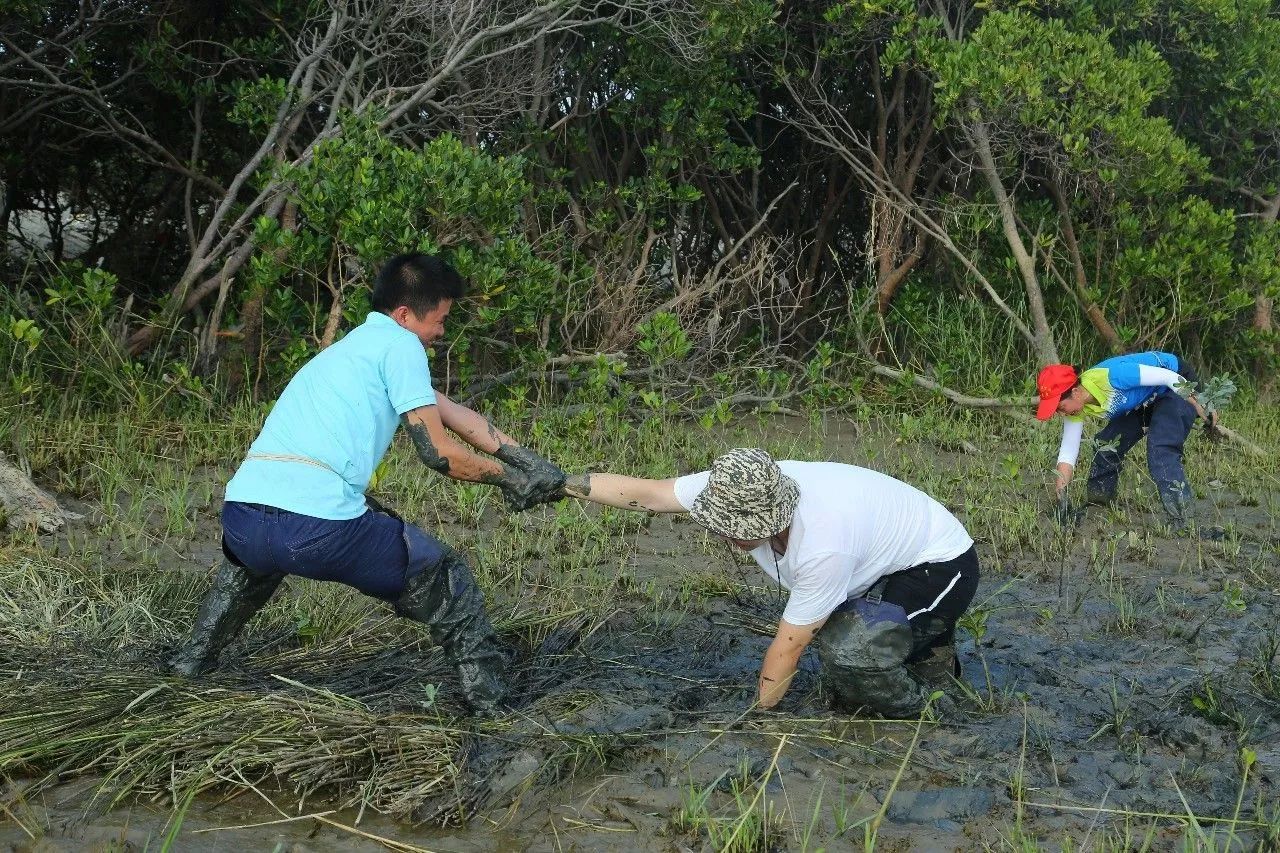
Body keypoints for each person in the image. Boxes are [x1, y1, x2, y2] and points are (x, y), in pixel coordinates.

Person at [166, 253, 566, 716]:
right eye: (439, 321)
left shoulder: (353, 351)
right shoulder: (402, 349)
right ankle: (494, 708)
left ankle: (188, 667)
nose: (442, 333)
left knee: (247, 571)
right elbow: (437, 453)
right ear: (404, 315)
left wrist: (529, 462)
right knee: (446, 578)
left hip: (242, 520)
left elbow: (456, 415)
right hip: (315, 530)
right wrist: (509, 480)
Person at [562, 448, 980, 717]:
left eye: (739, 529)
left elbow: (789, 645)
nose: (727, 534)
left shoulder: (823, 546)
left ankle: (925, 710)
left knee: (851, 650)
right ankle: (928, 652)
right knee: (861, 634)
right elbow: (649, 494)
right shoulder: (736, 483)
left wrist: (758, 717)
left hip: (940, 564)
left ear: (775, 517)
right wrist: (560, 483)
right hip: (878, 548)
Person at [1035, 351, 1219, 533]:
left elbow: (1167, 377)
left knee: (1160, 449)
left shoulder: (1112, 377)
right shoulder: (1075, 408)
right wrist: (1061, 495)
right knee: (1106, 444)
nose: (1061, 414)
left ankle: (1183, 521)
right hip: (1145, 397)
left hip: (1177, 382)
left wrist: (1202, 403)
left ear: (1075, 392)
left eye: (1060, 407)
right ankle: (1099, 504)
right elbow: (1068, 451)